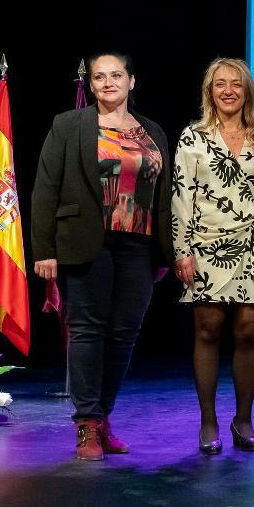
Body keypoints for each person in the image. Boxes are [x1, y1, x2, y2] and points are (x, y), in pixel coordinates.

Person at [31, 52, 173, 461]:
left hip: (140, 244)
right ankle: (87, 423)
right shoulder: (69, 125)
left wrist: (166, 252)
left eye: (116, 75)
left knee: (124, 333)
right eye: (99, 76)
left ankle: (102, 415)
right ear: (91, 85)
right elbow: (46, 187)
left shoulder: (152, 131)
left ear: (132, 81)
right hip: (84, 241)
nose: (108, 82)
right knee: (87, 330)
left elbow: (164, 196)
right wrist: (45, 250)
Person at [171, 58, 254, 455]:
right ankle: (208, 421)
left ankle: (244, 420)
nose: (228, 90)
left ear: (247, 91)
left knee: (249, 332)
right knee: (208, 330)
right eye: (220, 84)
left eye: (236, 84)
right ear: (210, 91)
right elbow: (181, 197)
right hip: (206, 247)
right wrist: (183, 251)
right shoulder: (193, 137)